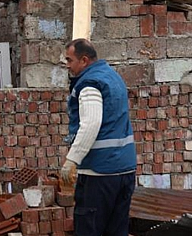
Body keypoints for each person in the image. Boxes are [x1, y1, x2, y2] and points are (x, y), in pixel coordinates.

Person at [60, 38, 136, 236]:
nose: (67, 65)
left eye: (69, 60)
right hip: (125, 170)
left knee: (89, 229)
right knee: (117, 230)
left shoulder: (90, 84)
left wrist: (71, 160)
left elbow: (91, 123)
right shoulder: (112, 76)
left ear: (84, 60)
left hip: (99, 173)